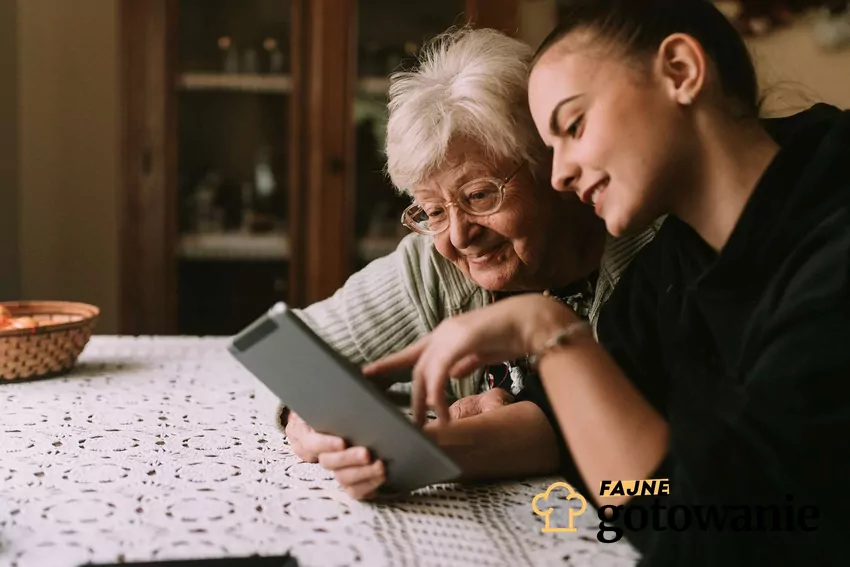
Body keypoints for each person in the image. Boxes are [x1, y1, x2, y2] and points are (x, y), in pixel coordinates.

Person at [365, 0, 850, 564]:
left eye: (573, 126)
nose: (560, 174)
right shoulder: (680, 260)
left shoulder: (831, 264)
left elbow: (701, 532)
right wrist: (409, 452)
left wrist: (547, 328)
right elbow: (635, 478)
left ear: (681, 71)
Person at [279, 27, 659, 500]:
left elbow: (653, 471)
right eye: (433, 211)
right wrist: (312, 417)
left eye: (480, 195)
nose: (458, 236)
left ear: (551, 165)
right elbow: (295, 349)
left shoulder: (654, 264)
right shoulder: (434, 267)